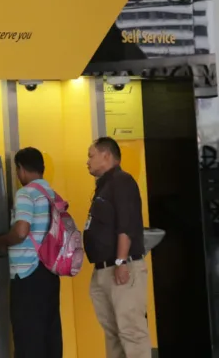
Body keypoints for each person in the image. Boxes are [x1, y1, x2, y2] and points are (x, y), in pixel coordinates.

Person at [0, 147, 63, 358]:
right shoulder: (51, 194)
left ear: (20, 169)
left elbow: (21, 231)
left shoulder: (25, 193)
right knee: (49, 332)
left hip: (27, 274)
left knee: (27, 335)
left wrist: (1, 241)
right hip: (49, 270)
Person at [84, 137, 150, 358]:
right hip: (104, 269)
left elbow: (126, 226)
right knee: (113, 334)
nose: (87, 161)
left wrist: (121, 261)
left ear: (106, 155)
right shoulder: (104, 186)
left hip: (121, 268)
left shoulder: (122, 181)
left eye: (91, 155)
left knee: (131, 332)